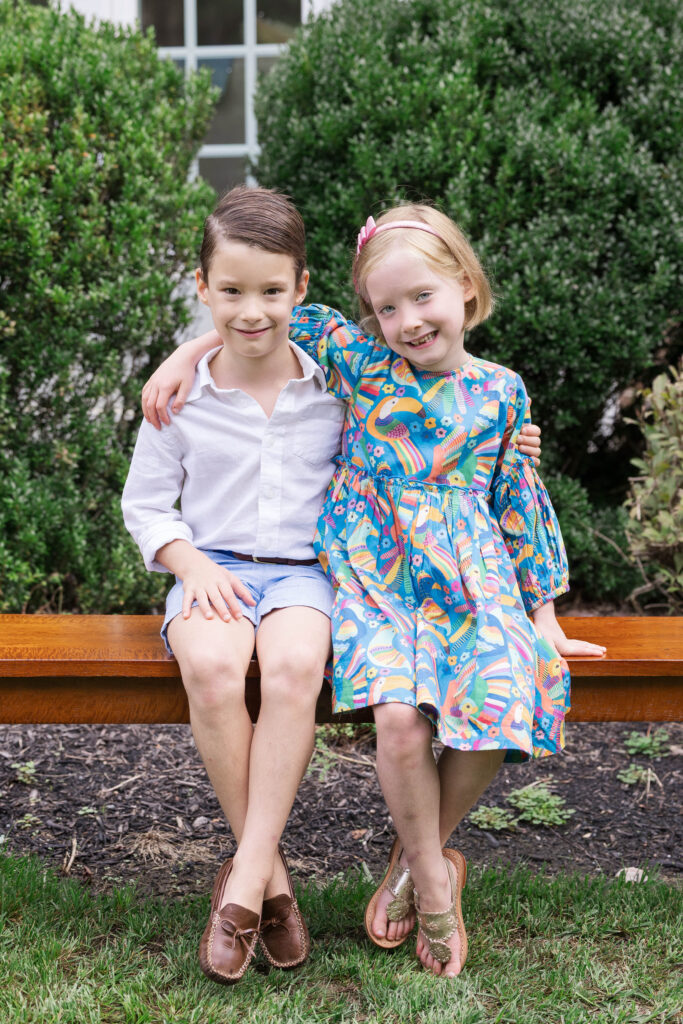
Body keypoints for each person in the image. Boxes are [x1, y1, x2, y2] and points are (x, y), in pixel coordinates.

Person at [141, 202, 594, 980]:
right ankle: (420, 881)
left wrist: (542, 611)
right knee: (396, 720)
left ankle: (417, 869)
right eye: (387, 307)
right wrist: (184, 353)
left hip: (469, 580)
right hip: (375, 577)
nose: (408, 321)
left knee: (508, 686)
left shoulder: (502, 393)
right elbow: (257, 314)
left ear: (465, 289)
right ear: (368, 315)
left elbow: (521, 502)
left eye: (422, 299)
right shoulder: (357, 358)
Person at [122, 186, 348, 985]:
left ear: (302, 288)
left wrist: (509, 435)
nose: (251, 311)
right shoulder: (180, 396)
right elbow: (146, 504)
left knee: (293, 669)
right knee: (215, 669)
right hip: (211, 565)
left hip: (304, 575)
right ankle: (271, 882)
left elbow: (433, 398)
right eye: (231, 292)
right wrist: (189, 565)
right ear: (201, 288)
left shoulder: (339, 385)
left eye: (271, 291)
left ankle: (244, 878)